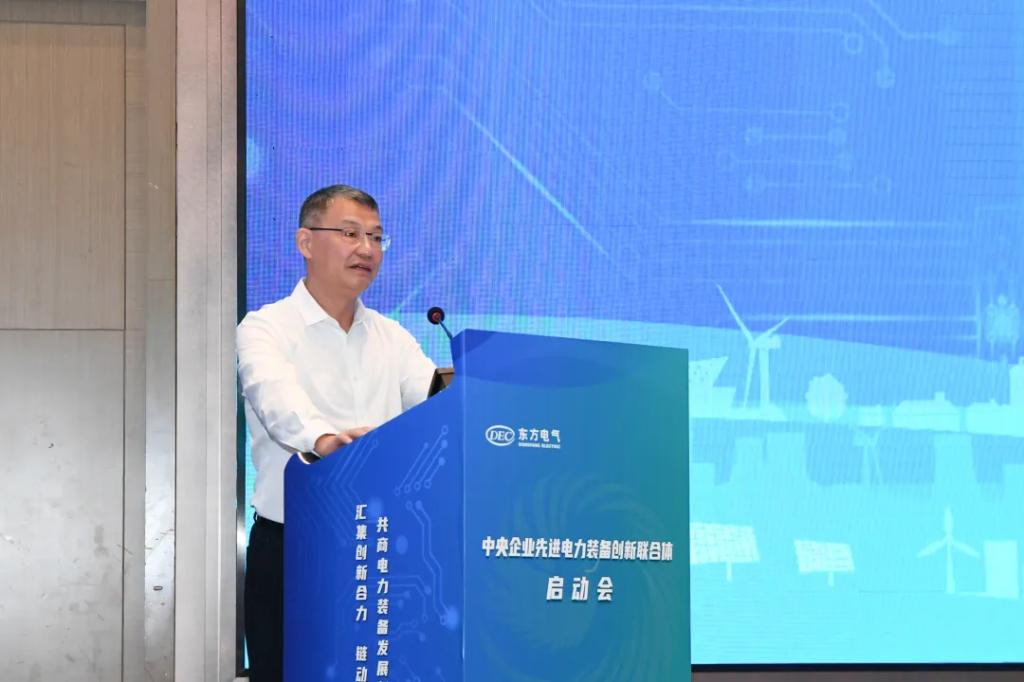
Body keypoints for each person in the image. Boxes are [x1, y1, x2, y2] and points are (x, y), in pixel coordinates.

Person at [237, 184, 436, 681]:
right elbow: (275, 396)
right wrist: (324, 440)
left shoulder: (393, 337)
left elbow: (435, 406)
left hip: (386, 548)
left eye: (376, 237)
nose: (366, 249)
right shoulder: (265, 328)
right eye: (350, 234)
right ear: (306, 242)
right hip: (295, 547)